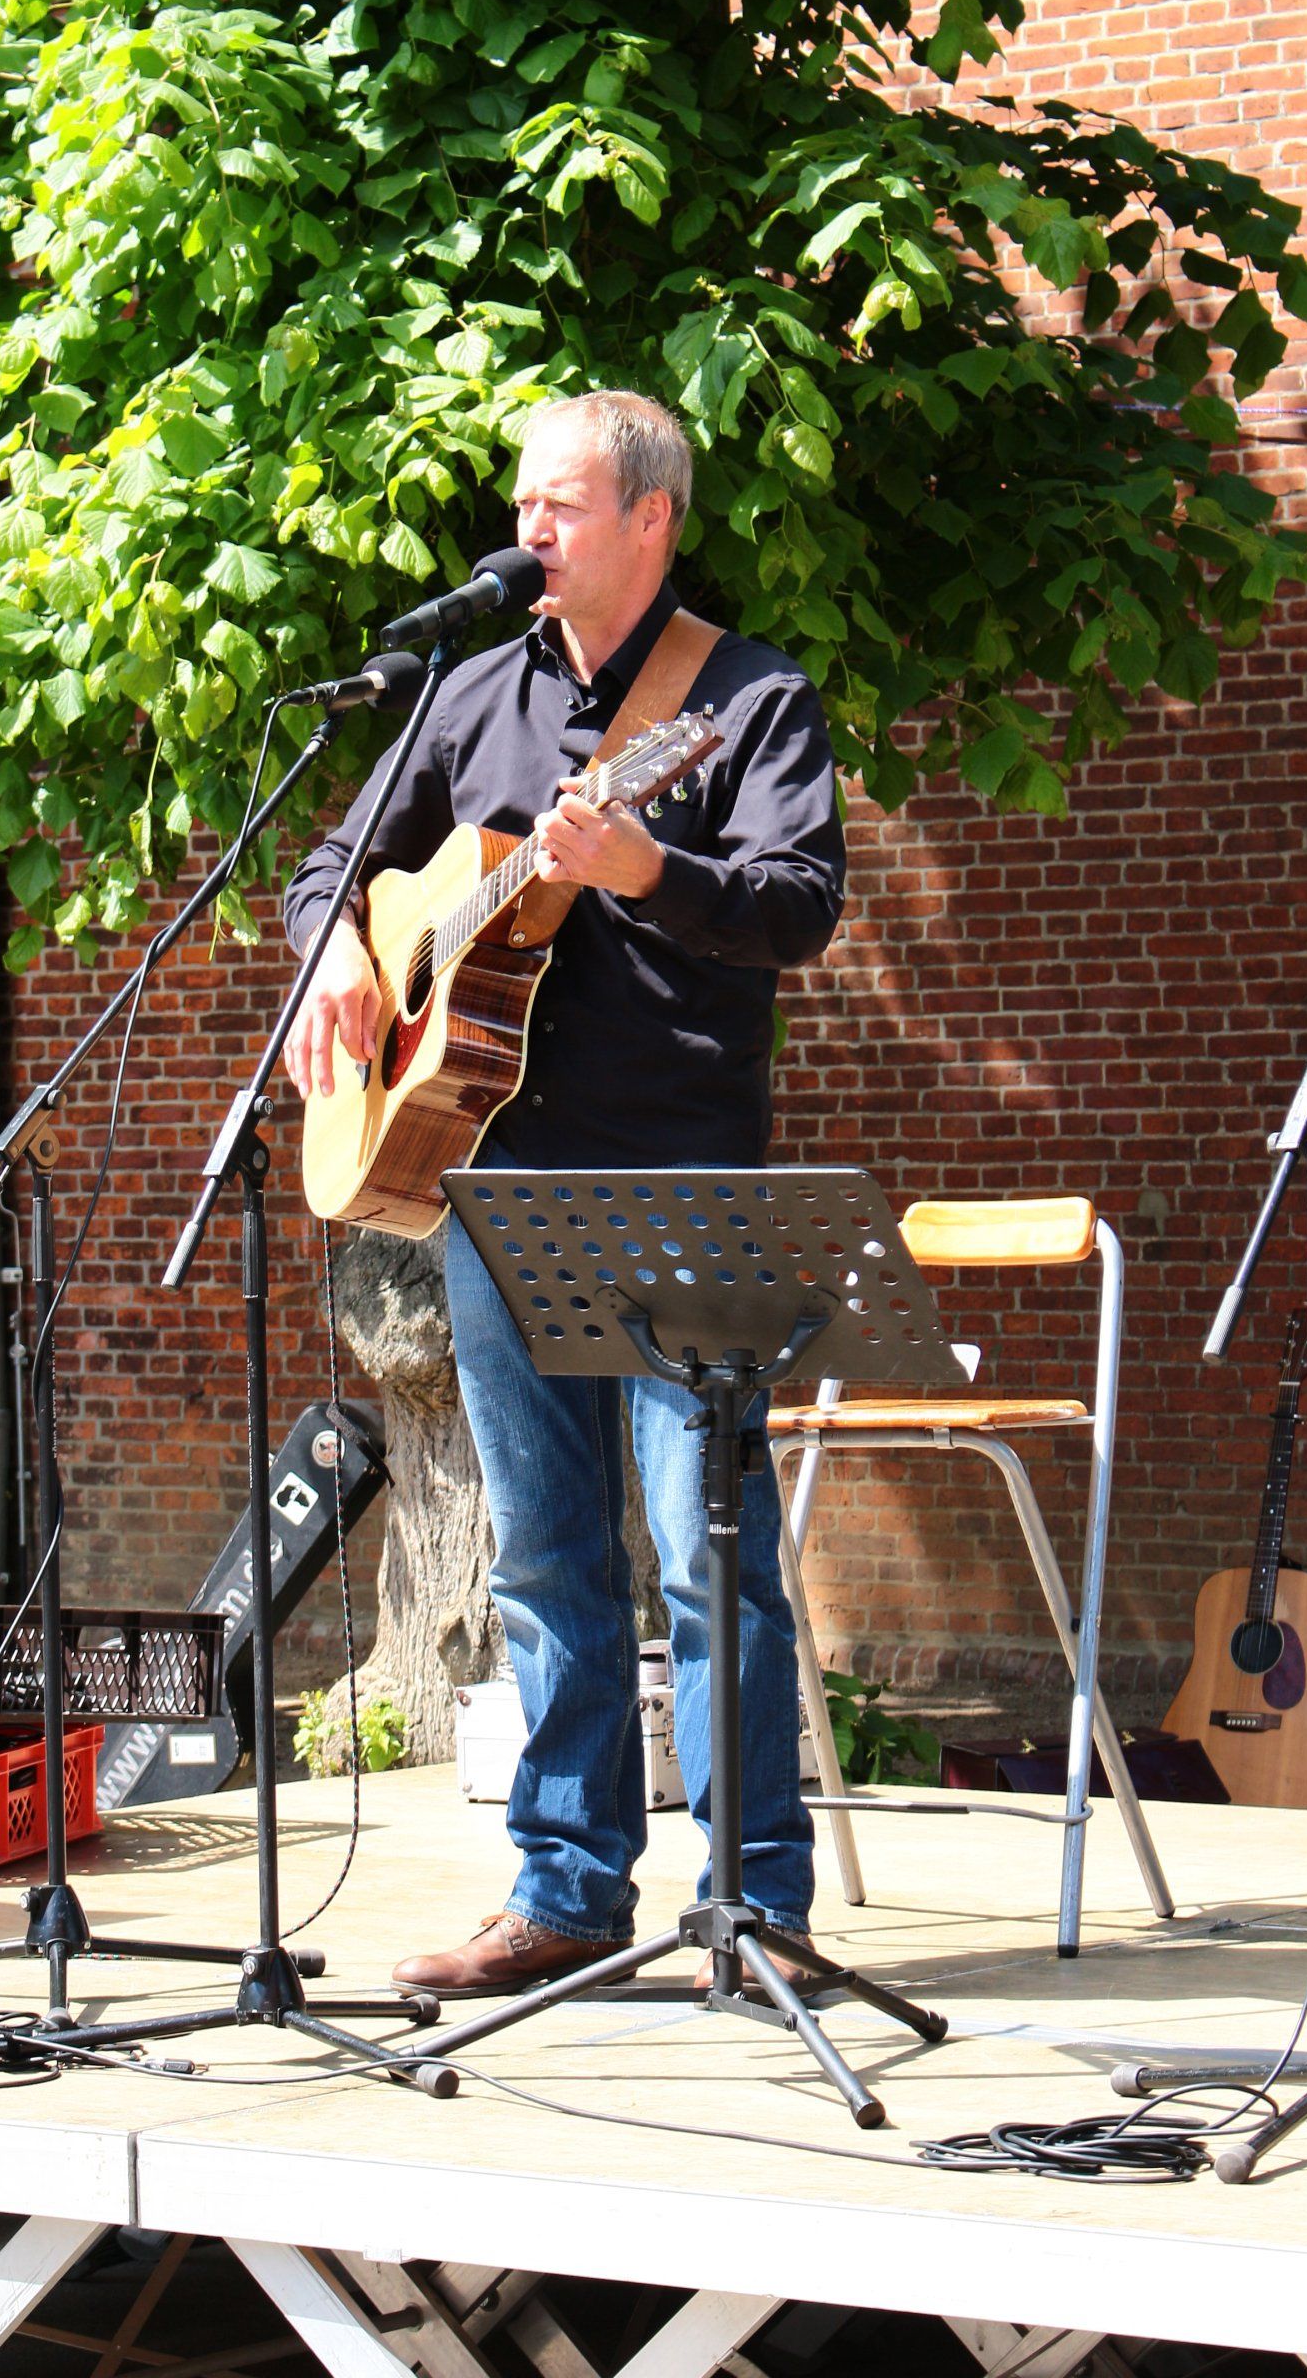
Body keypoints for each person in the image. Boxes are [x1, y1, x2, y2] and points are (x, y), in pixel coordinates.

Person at [282, 390, 846, 1994]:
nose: (527, 530)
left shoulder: (741, 701)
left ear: (652, 519)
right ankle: (568, 1893)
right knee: (544, 1558)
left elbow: (799, 907)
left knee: (704, 1549)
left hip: (683, 1176)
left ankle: (760, 1903)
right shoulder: (466, 693)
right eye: (523, 504)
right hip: (496, 1177)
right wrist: (336, 950)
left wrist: (647, 871)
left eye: (560, 507)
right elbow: (340, 864)